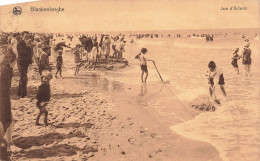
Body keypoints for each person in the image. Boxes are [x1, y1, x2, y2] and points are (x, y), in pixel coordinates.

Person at [0, 45, 14, 156]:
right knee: (4, 121)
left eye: (10, 57)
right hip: (1, 97)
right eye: (6, 57)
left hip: (5, 96)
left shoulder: (6, 66)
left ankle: (4, 144)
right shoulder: (1, 68)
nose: (8, 59)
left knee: (6, 121)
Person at [17, 31, 33, 98]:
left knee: (23, 77)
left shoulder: (24, 43)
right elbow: (24, 52)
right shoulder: (21, 43)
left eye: (28, 36)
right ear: (22, 36)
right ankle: (23, 94)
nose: (27, 37)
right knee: (23, 78)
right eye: (25, 36)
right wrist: (29, 47)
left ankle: (20, 92)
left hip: (24, 62)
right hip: (21, 62)